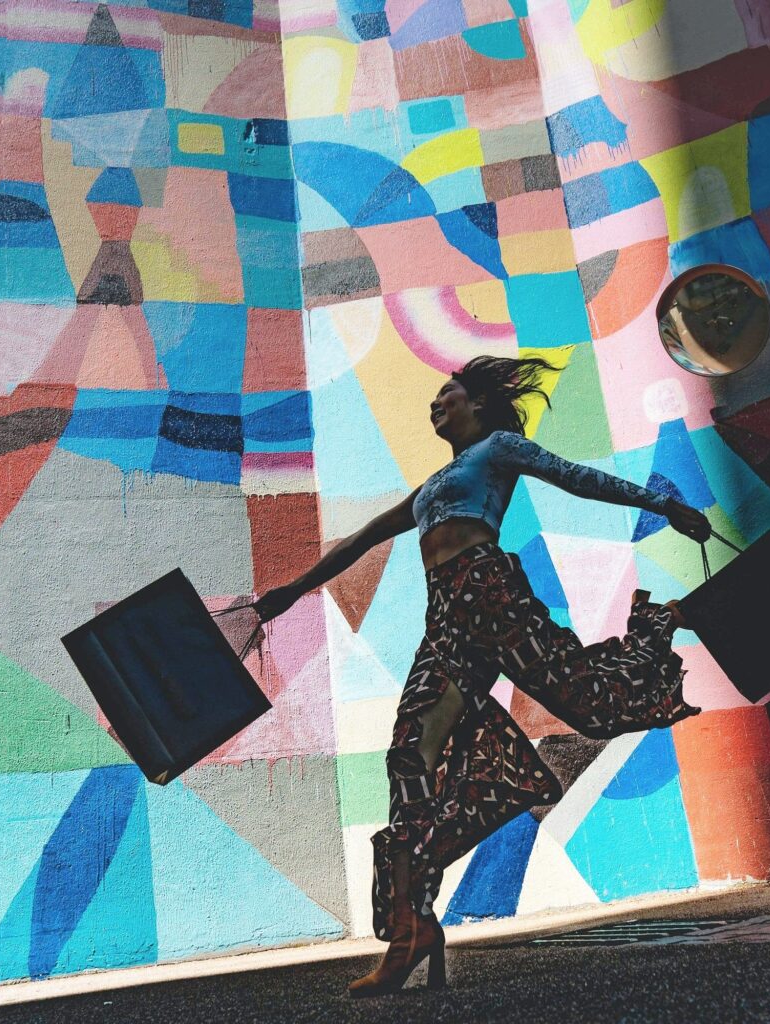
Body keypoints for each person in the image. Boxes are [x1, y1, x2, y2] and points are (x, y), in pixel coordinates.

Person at [253, 356, 711, 998]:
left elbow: (573, 478)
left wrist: (665, 505)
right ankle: (412, 929)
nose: (436, 404)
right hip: (445, 614)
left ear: (480, 407)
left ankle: (659, 623)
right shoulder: (430, 488)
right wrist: (292, 591)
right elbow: (359, 540)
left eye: (448, 394)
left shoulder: (496, 449)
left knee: (587, 704)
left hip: (490, 592)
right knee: (408, 756)